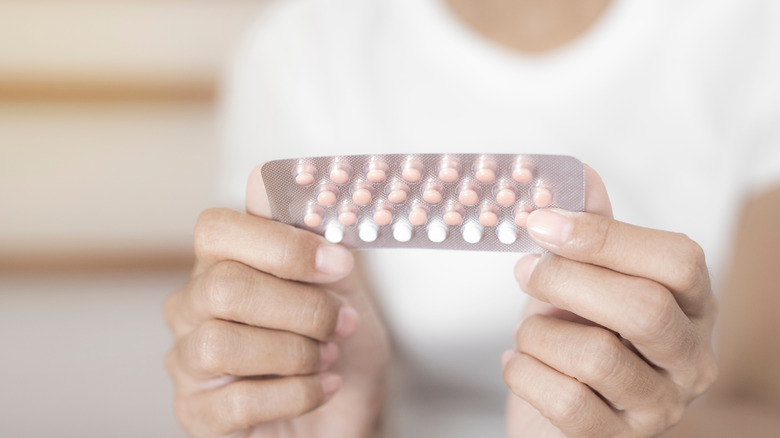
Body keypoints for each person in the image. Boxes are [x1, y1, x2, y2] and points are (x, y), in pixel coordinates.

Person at [163, 0, 780, 436]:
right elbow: (305, 354)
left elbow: (765, 406)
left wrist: (647, 431)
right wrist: (345, 421)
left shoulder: (753, 30)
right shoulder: (304, 45)